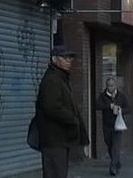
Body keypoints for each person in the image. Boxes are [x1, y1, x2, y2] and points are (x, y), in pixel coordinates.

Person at [35, 46, 89, 178]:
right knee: (55, 173)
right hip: (54, 139)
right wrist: (72, 118)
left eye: (70, 58)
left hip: (60, 139)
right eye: (65, 57)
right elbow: (51, 107)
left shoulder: (60, 78)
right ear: (54, 59)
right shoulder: (52, 80)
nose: (69, 60)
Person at [96, 78, 131, 176]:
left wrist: (120, 110)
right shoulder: (102, 96)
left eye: (112, 85)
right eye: (108, 85)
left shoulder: (121, 96)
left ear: (115, 86)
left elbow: (129, 108)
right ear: (106, 86)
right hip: (107, 124)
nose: (110, 87)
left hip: (118, 124)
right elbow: (97, 105)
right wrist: (109, 106)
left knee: (116, 145)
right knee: (109, 144)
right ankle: (116, 161)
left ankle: (113, 167)